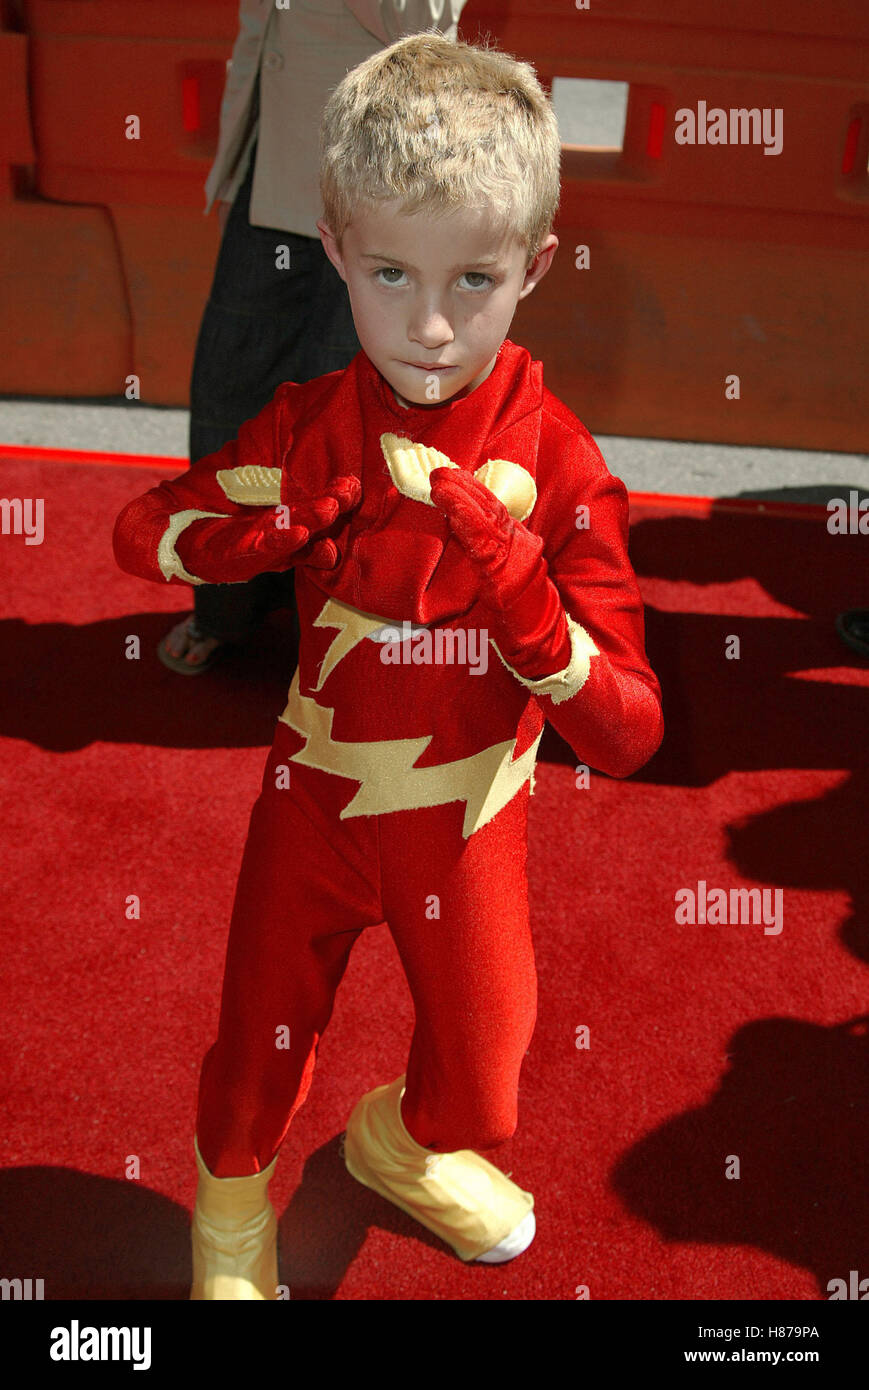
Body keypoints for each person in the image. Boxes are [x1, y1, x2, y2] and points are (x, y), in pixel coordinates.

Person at [113, 32, 664, 1297]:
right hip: (310, 805)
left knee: (484, 1074)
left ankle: (400, 1143)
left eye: (472, 277)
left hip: (468, 821)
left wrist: (520, 590)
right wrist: (245, 540)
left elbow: (628, 732)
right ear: (333, 248)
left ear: (532, 265)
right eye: (387, 273)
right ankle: (233, 1220)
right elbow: (141, 527)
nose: (425, 325)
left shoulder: (562, 463)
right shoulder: (306, 423)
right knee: (256, 1042)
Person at [160, 0, 467, 673]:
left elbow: (418, 22)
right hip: (273, 170)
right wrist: (237, 161)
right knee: (230, 395)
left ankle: (340, 629)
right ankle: (226, 605)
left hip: (380, 181)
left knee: (350, 412)